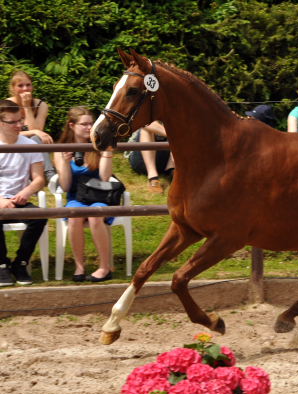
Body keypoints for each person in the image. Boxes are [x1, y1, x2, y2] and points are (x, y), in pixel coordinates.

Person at [53, 106, 114, 282]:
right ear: (71, 125)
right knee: (74, 216)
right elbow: (65, 186)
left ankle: (104, 267)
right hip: (76, 197)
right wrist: (65, 163)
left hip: (99, 196)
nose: (89, 128)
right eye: (84, 124)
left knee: (95, 216)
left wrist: (106, 154)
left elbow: (104, 177)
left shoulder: (99, 144)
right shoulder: (62, 149)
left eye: (91, 124)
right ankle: (79, 267)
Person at [0, 99, 47, 286]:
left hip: (19, 200)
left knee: (40, 216)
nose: (19, 125)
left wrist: (27, 191)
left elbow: (39, 179)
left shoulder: (29, 144)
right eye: (12, 122)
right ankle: (2, 265)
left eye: (20, 120)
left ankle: (20, 263)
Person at [7, 70, 56, 182]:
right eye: (20, 86)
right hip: (12, 142)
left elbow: (38, 133)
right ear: (13, 88)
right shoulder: (6, 106)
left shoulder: (41, 105)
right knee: (32, 136)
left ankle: (51, 176)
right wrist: (35, 132)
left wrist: (27, 107)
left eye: (28, 85)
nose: (25, 89)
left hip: (32, 143)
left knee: (36, 138)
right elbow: (6, 134)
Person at [127, 121, 174, 194]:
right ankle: (153, 178)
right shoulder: (145, 110)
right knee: (146, 127)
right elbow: (145, 122)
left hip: (165, 158)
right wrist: (172, 134)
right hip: (141, 157)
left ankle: (170, 169)